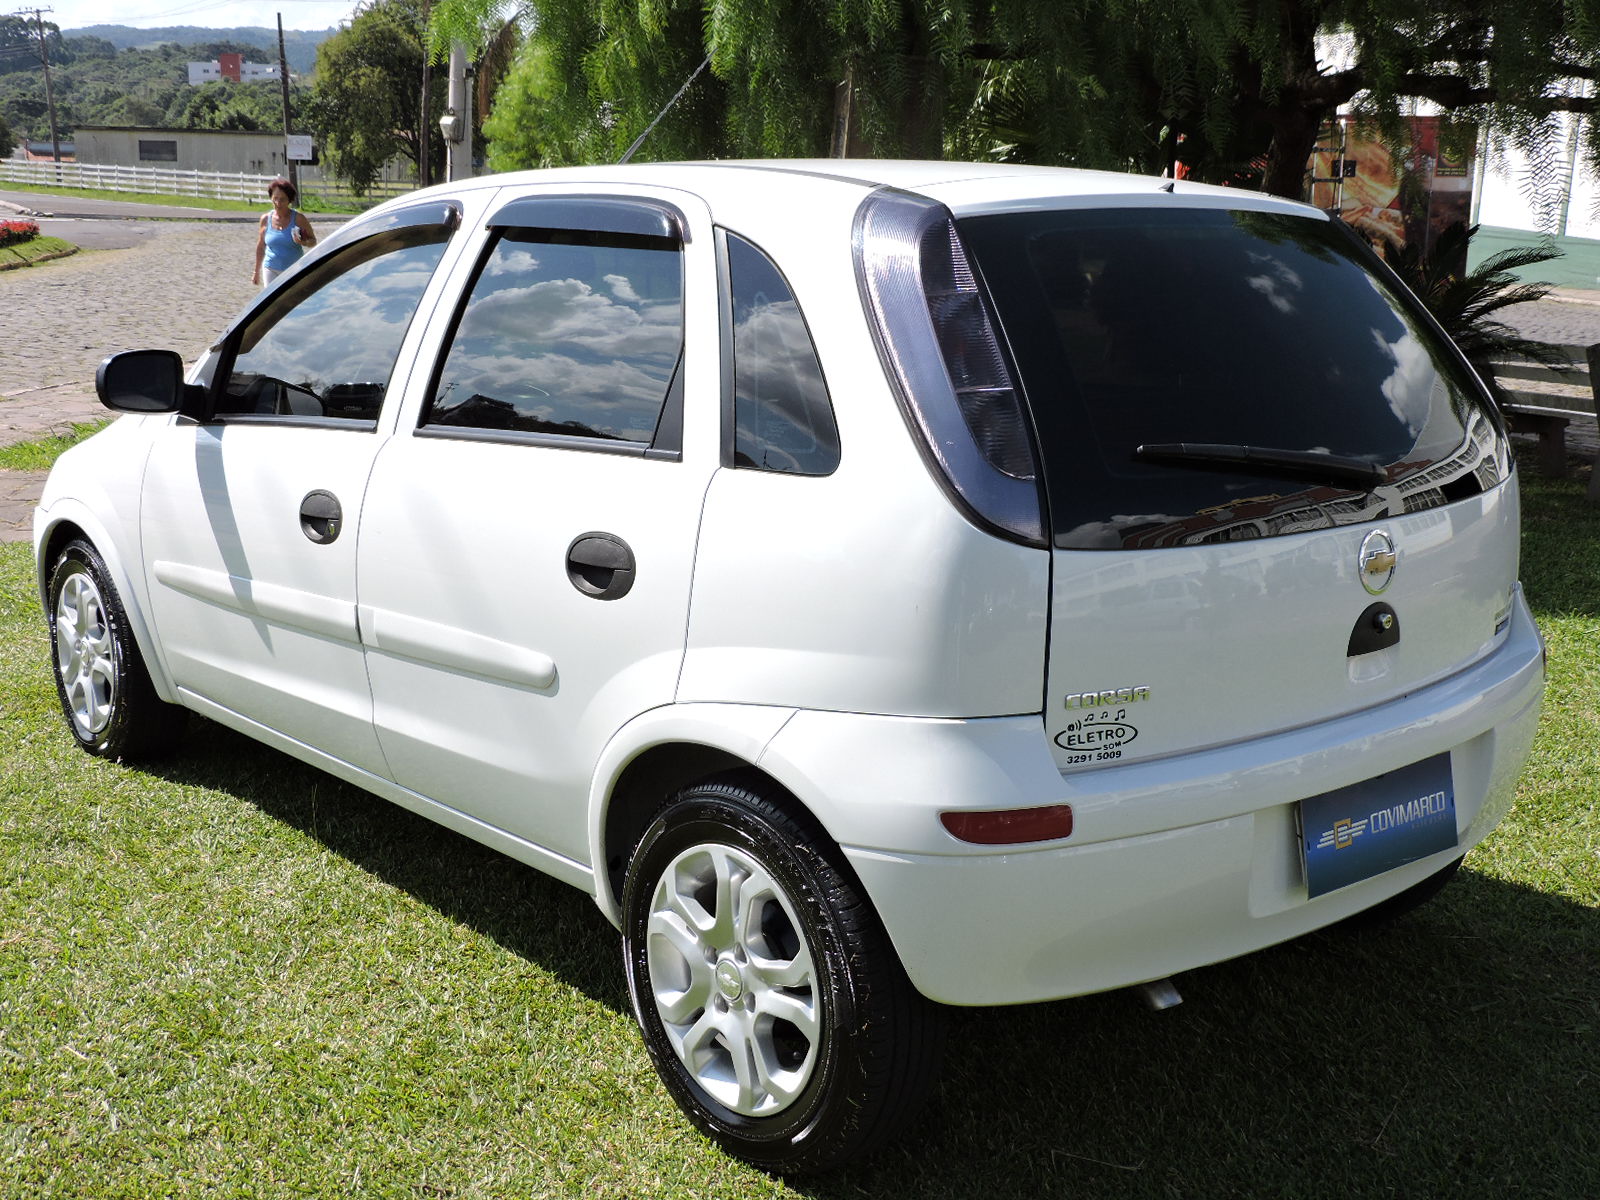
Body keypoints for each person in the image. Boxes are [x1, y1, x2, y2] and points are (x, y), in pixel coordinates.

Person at [252, 176, 317, 287]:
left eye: (282, 199)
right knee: (272, 301)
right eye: (275, 198)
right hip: (270, 267)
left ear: (289, 200)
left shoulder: (298, 219)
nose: (278, 203)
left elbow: (313, 241)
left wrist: (304, 242)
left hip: (293, 269)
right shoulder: (265, 219)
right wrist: (256, 271)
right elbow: (261, 245)